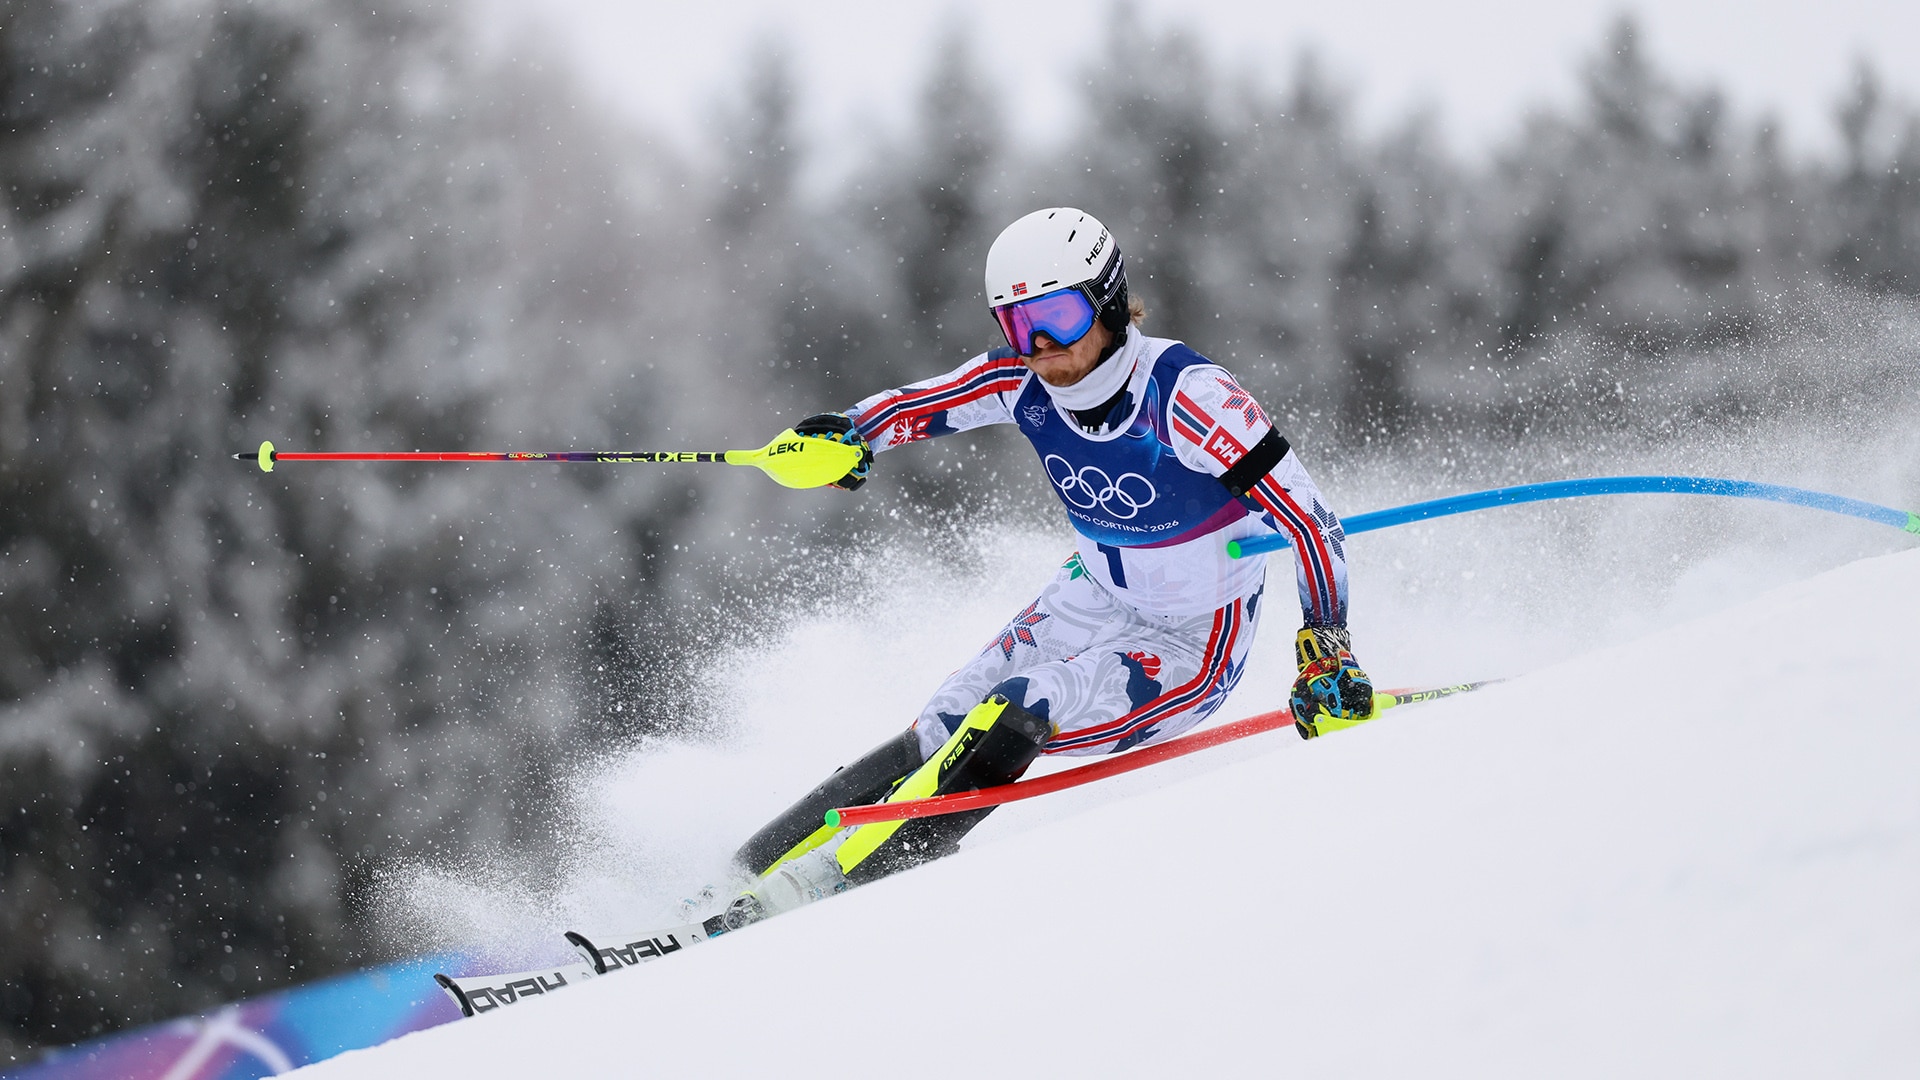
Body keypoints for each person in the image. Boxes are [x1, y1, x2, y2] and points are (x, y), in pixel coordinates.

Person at [717, 207, 1373, 926]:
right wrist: (851, 435)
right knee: (946, 714)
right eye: (1017, 325)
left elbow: (1310, 521)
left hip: (1191, 636)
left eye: (1057, 317)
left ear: (1110, 301)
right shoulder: (1020, 380)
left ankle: (840, 885)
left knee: (1023, 704)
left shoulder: (1186, 397)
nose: (1041, 348)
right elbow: (925, 404)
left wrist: (1327, 650)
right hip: (1088, 595)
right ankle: (743, 877)